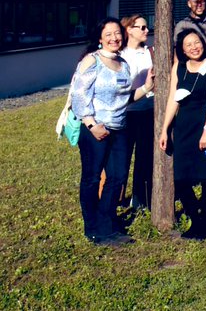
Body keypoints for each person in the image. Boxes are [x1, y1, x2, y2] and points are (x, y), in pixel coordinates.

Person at [71, 18, 153, 245]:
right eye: (108, 34)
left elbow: (125, 99)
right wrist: (91, 124)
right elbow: (78, 96)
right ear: (99, 38)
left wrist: (146, 87)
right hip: (95, 130)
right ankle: (93, 229)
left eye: (117, 33)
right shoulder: (91, 61)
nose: (114, 38)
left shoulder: (123, 63)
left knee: (117, 178)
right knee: (92, 178)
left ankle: (106, 221)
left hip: (120, 128)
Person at [157, 30, 206, 238]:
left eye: (197, 42)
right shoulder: (179, 67)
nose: (194, 47)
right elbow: (173, 99)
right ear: (182, 50)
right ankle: (196, 218)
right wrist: (165, 129)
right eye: (188, 45)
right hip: (183, 129)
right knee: (182, 178)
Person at [120, 14, 154, 211]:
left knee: (144, 156)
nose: (146, 31)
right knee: (122, 157)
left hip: (147, 110)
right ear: (129, 30)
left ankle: (140, 198)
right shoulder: (121, 54)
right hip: (126, 112)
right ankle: (118, 196)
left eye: (146, 27)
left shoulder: (149, 52)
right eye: (141, 27)